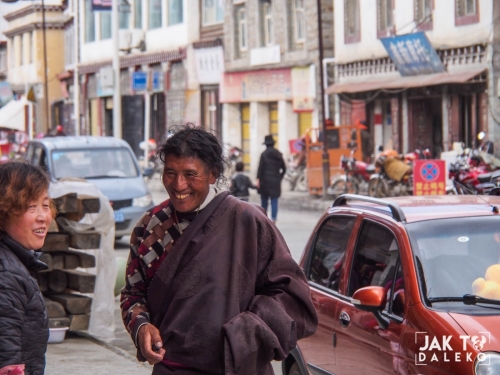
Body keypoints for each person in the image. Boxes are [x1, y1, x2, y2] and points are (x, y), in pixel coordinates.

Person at [120, 124, 317, 374]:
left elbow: (291, 295)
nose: (179, 185)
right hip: (172, 368)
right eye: (170, 172)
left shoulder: (247, 221)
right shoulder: (150, 226)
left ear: (213, 174)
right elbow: (132, 293)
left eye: (191, 174)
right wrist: (141, 326)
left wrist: (245, 334)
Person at [0, 162, 56, 375]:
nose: (43, 216)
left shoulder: (16, 263)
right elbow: (7, 361)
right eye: (31, 207)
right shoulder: (6, 275)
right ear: (3, 212)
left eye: (45, 205)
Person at [256, 135, 286, 224]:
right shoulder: (278, 154)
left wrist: (258, 179)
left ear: (266, 145)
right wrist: (279, 177)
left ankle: (264, 218)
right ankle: (274, 219)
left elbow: (260, 168)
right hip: (275, 181)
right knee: (274, 200)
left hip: (265, 181)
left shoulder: (263, 154)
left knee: (264, 200)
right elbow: (284, 168)